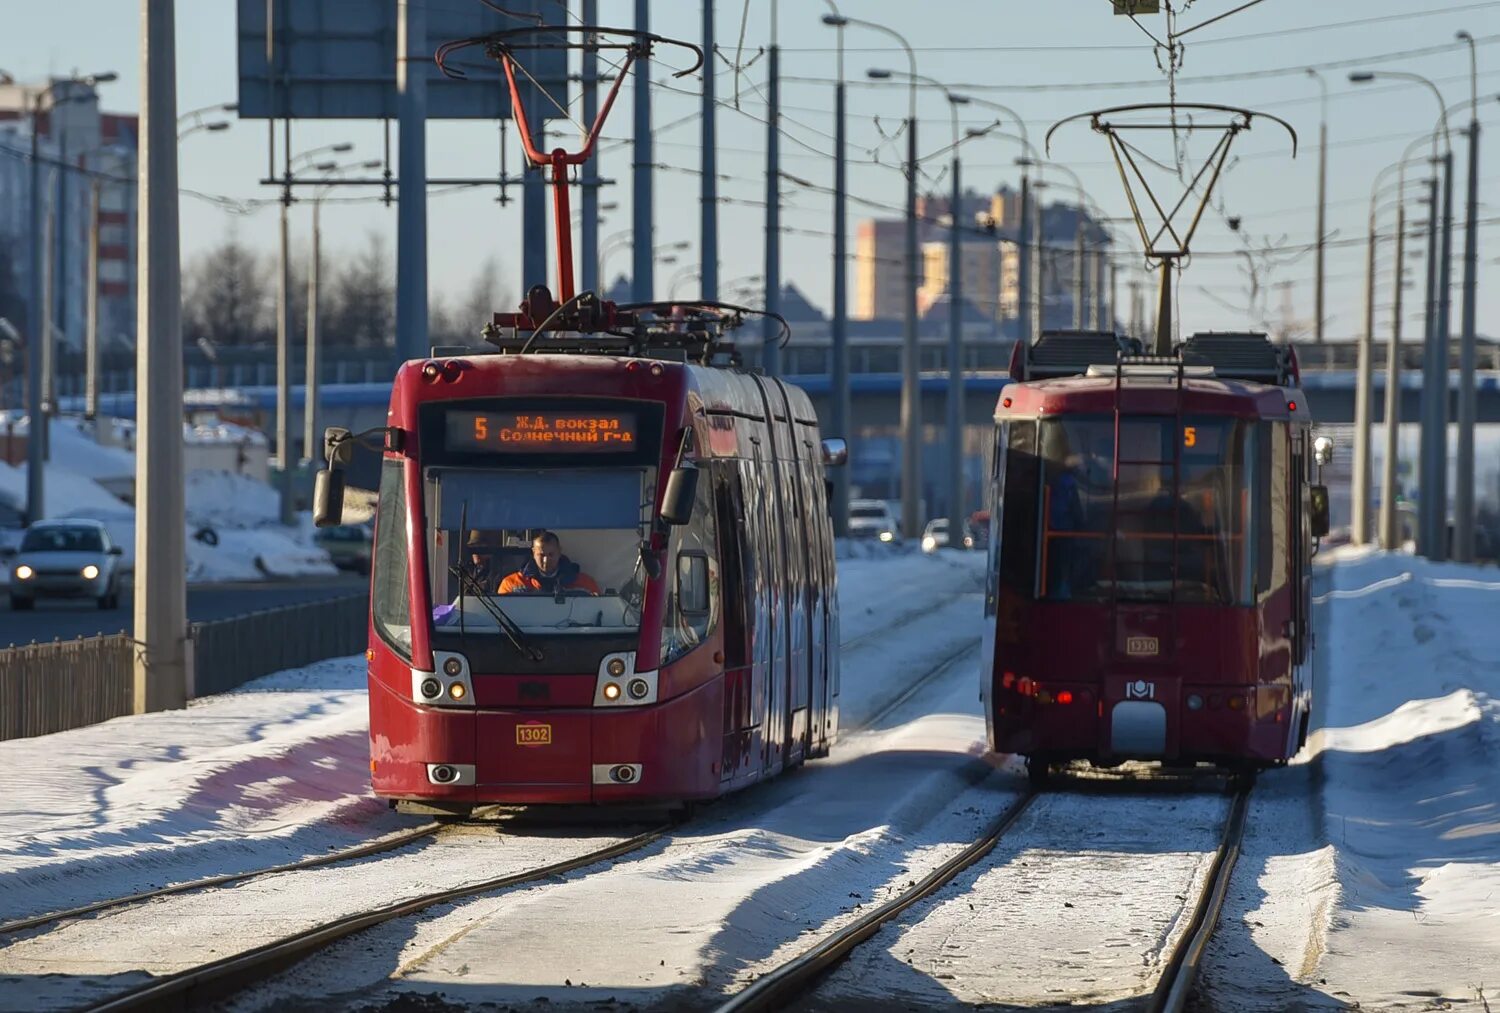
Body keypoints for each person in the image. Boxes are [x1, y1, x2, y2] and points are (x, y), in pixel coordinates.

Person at [498, 531, 601, 595]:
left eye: (551, 555)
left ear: (559, 552)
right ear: (533, 553)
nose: (546, 560)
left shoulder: (585, 584)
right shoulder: (511, 584)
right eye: (541, 555)